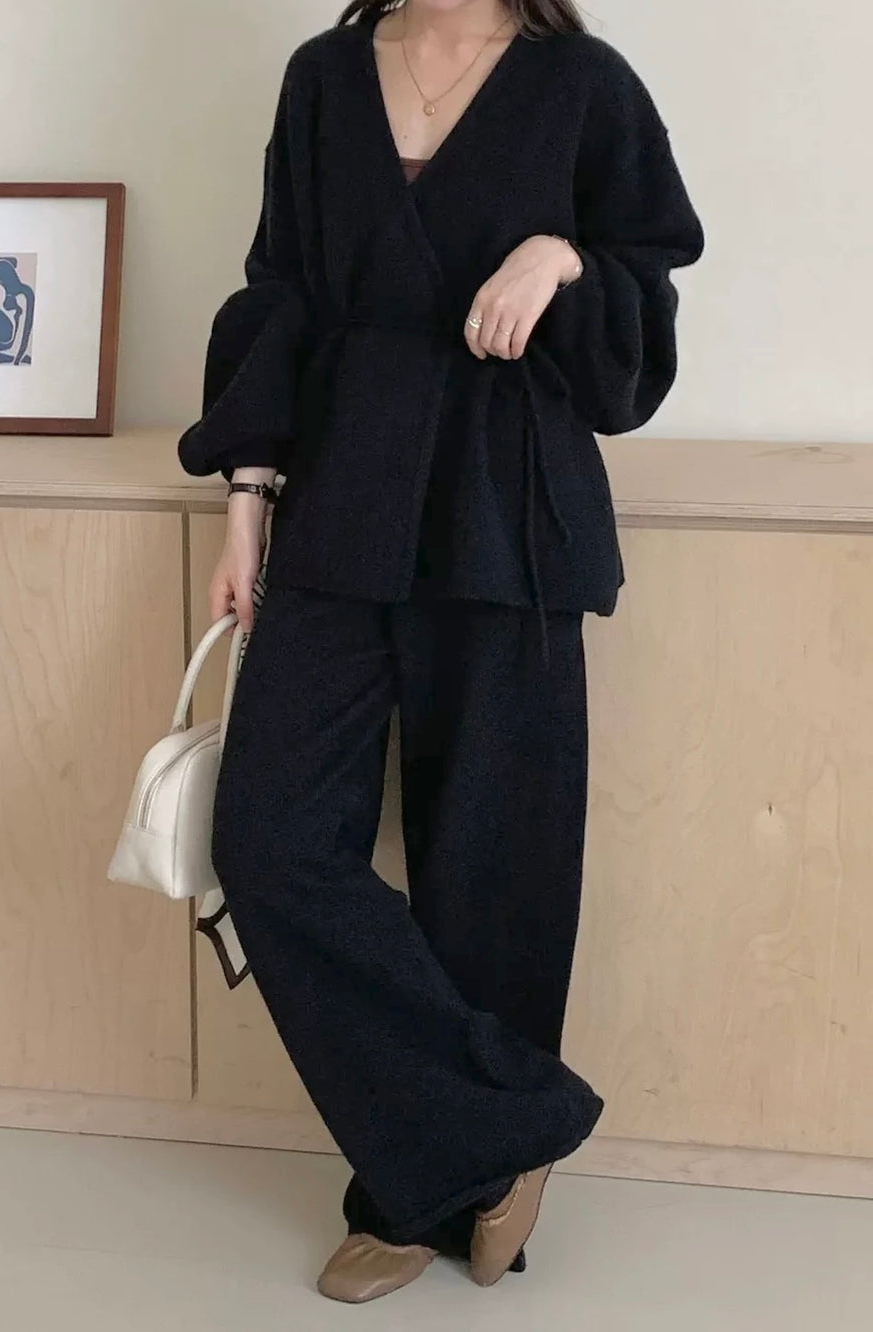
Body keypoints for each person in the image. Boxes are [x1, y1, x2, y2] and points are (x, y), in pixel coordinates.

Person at [179, 0, 704, 1304]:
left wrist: (562, 260)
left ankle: (422, 1197)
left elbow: (642, 313)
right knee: (269, 839)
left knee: (495, 866)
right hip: (339, 503)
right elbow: (279, 290)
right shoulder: (323, 77)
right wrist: (247, 496)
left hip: (507, 505)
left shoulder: (582, 84)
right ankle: (500, 1131)